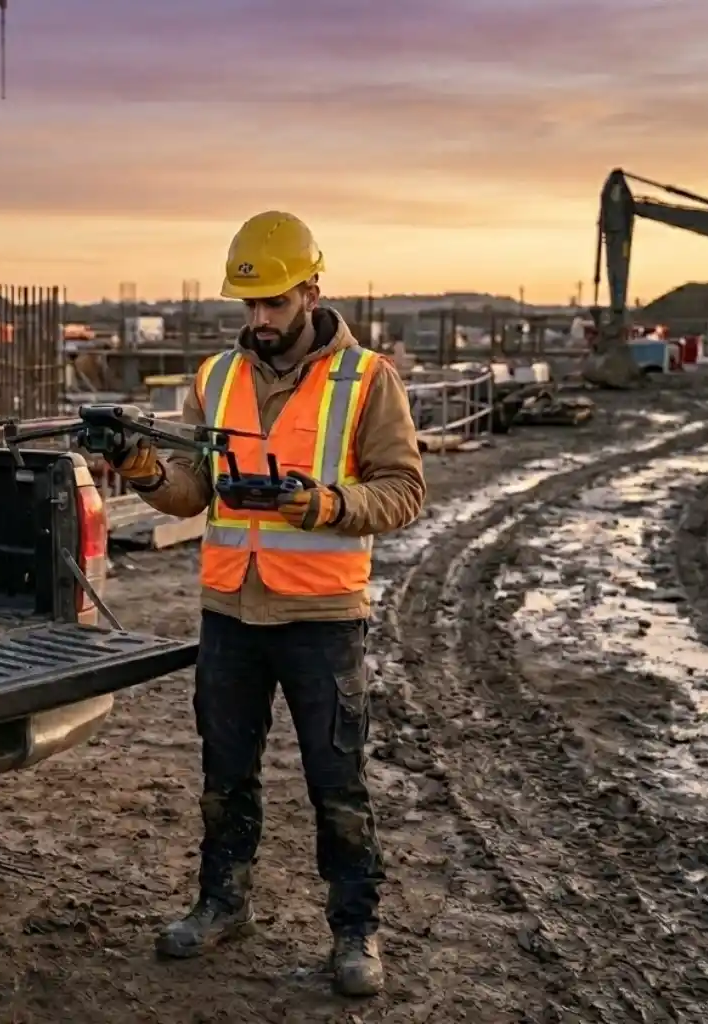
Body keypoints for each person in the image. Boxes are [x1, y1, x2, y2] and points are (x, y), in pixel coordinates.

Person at [108, 211, 425, 997]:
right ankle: (223, 904)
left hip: (321, 618)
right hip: (231, 614)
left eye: (274, 305)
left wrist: (324, 505)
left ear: (312, 291)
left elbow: (405, 491)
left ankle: (356, 933)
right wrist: (145, 469)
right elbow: (192, 495)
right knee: (225, 774)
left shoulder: (367, 379)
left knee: (337, 781)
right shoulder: (217, 379)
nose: (259, 321)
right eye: (248, 307)